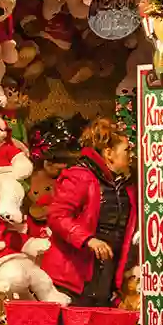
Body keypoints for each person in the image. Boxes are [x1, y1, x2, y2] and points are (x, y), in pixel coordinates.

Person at [41, 118, 138, 307]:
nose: (131, 155)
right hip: (74, 276)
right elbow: (57, 216)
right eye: (126, 150)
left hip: (105, 274)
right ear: (109, 153)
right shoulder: (80, 177)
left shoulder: (126, 185)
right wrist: (87, 239)